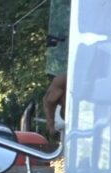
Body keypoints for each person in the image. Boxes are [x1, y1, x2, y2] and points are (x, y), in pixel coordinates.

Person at [43, 0, 70, 137]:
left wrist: (51, 125)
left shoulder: (65, 81)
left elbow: (48, 102)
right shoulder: (64, 84)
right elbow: (48, 102)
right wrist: (51, 126)